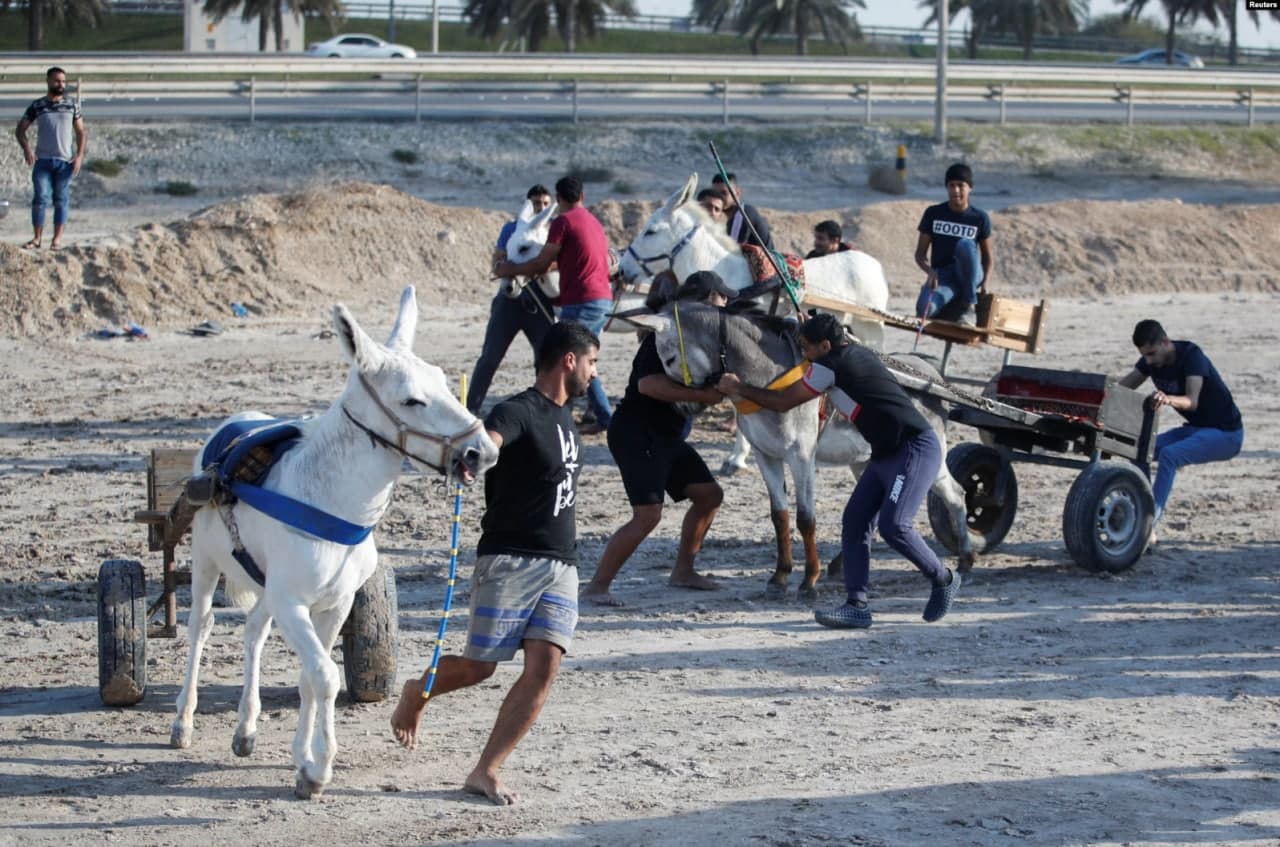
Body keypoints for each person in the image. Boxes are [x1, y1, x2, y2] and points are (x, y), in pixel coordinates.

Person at [390, 320, 600, 806]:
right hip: (510, 561)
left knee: (544, 666)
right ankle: (415, 691)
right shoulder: (519, 410)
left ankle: (486, 769)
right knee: (481, 667)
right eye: (592, 362)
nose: (595, 373)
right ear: (569, 360)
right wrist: (471, 459)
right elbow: (489, 442)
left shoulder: (569, 419)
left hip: (561, 565)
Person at [716, 313, 960, 629]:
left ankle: (943, 578)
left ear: (826, 345)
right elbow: (817, 350)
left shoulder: (830, 367)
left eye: (806, 347)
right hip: (886, 455)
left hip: (914, 451)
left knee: (895, 526)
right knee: (855, 521)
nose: (802, 353)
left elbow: (781, 402)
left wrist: (740, 387)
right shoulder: (845, 350)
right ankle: (857, 605)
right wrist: (809, 328)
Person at [582, 271, 733, 607]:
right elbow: (648, 385)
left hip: (666, 436)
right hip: (638, 432)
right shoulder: (665, 335)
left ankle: (683, 571)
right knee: (648, 516)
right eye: (722, 298)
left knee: (709, 495)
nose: (726, 304)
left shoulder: (700, 339)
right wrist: (704, 396)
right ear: (708, 300)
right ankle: (597, 586)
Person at [495, 176, 614, 434]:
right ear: (582, 197)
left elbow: (541, 263)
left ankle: (601, 417)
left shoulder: (562, 222)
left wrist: (510, 268)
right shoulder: (594, 222)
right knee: (577, 357)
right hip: (601, 297)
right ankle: (584, 414)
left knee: (573, 357)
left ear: (558, 200)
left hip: (583, 300)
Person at [1118, 319, 1243, 541]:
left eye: (1152, 353)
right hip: (1195, 429)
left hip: (1226, 434)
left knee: (1169, 455)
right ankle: (1142, 509)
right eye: (1144, 355)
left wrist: (1167, 399)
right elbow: (1122, 388)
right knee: (1139, 449)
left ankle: (1146, 527)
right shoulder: (1152, 361)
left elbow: (1191, 401)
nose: (1148, 360)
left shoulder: (1192, 356)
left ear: (1165, 342)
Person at [467, 184, 557, 414]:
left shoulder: (554, 232)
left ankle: (546, 409)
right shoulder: (511, 230)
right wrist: (506, 268)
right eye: (537, 203)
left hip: (540, 301)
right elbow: (497, 263)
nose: (541, 207)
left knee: (545, 358)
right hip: (509, 301)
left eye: (546, 203)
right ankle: (471, 408)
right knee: (490, 357)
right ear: (528, 204)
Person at [913, 162, 993, 326]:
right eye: (951, 185)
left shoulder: (980, 218)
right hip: (944, 277)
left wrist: (985, 283)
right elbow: (920, 254)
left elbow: (987, 258)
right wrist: (930, 272)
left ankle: (969, 306)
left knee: (964, 245)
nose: (956, 190)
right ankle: (951, 300)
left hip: (970, 274)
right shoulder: (933, 213)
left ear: (969, 187)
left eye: (960, 185)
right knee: (924, 311)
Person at [15, 66, 86, 251]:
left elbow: (80, 132)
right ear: (48, 81)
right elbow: (20, 129)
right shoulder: (38, 105)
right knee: (40, 197)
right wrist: (27, 149)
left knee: (61, 199)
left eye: (63, 81)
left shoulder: (72, 105)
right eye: (56, 81)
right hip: (43, 161)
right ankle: (37, 238)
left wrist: (79, 156)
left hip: (65, 162)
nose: (60, 84)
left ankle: (56, 240)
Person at [711, 172, 773, 251]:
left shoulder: (743, 214)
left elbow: (732, 252)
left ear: (737, 193)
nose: (719, 197)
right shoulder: (733, 217)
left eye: (724, 193)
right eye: (715, 193)